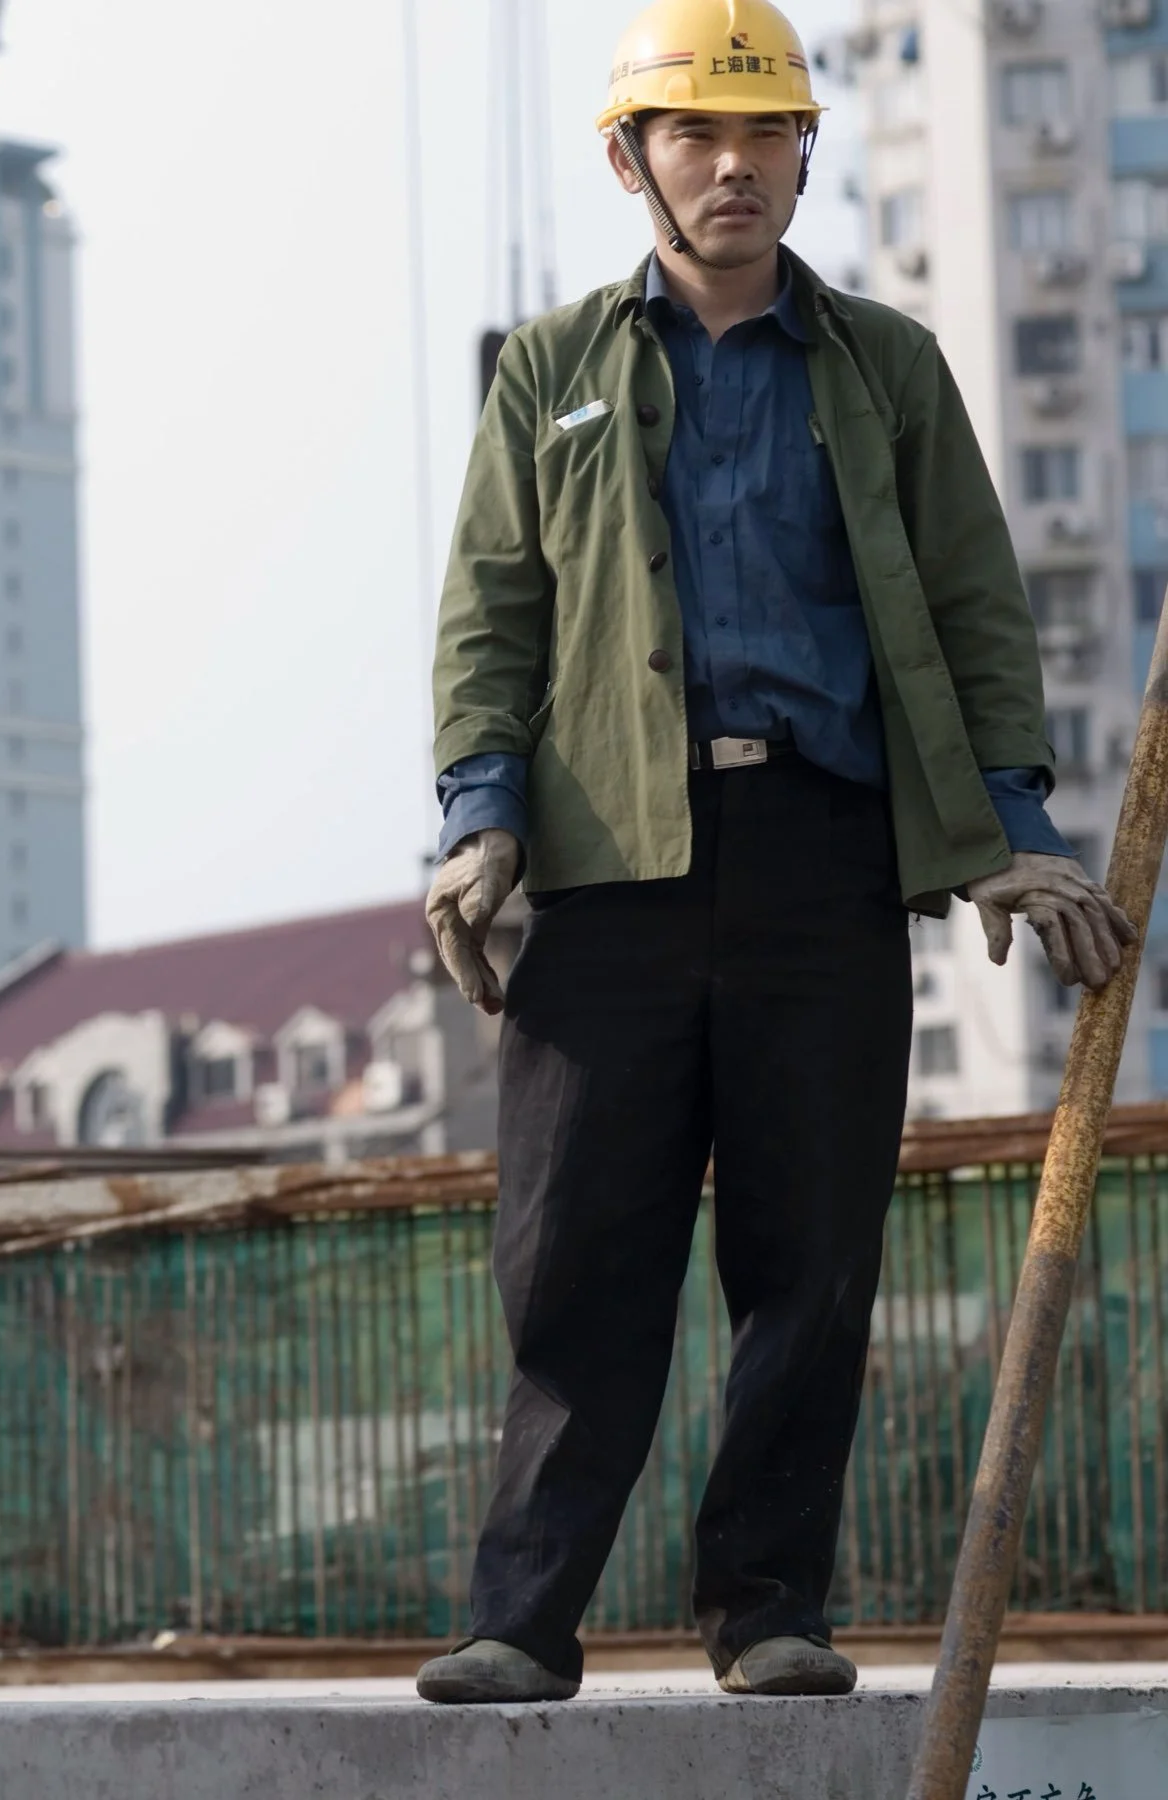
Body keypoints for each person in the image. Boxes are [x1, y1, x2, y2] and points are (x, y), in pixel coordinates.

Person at [416, 0, 1137, 1704]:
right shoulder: (552, 371)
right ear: (631, 158)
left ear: (806, 153)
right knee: (578, 1249)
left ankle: (764, 1613)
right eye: (695, 135)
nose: (733, 166)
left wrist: (1014, 831)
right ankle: (521, 1619)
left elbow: (973, 606)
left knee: (809, 1256)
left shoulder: (884, 369)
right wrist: (478, 821)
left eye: (764, 136)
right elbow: (488, 623)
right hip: (611, 865)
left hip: (823, 853)